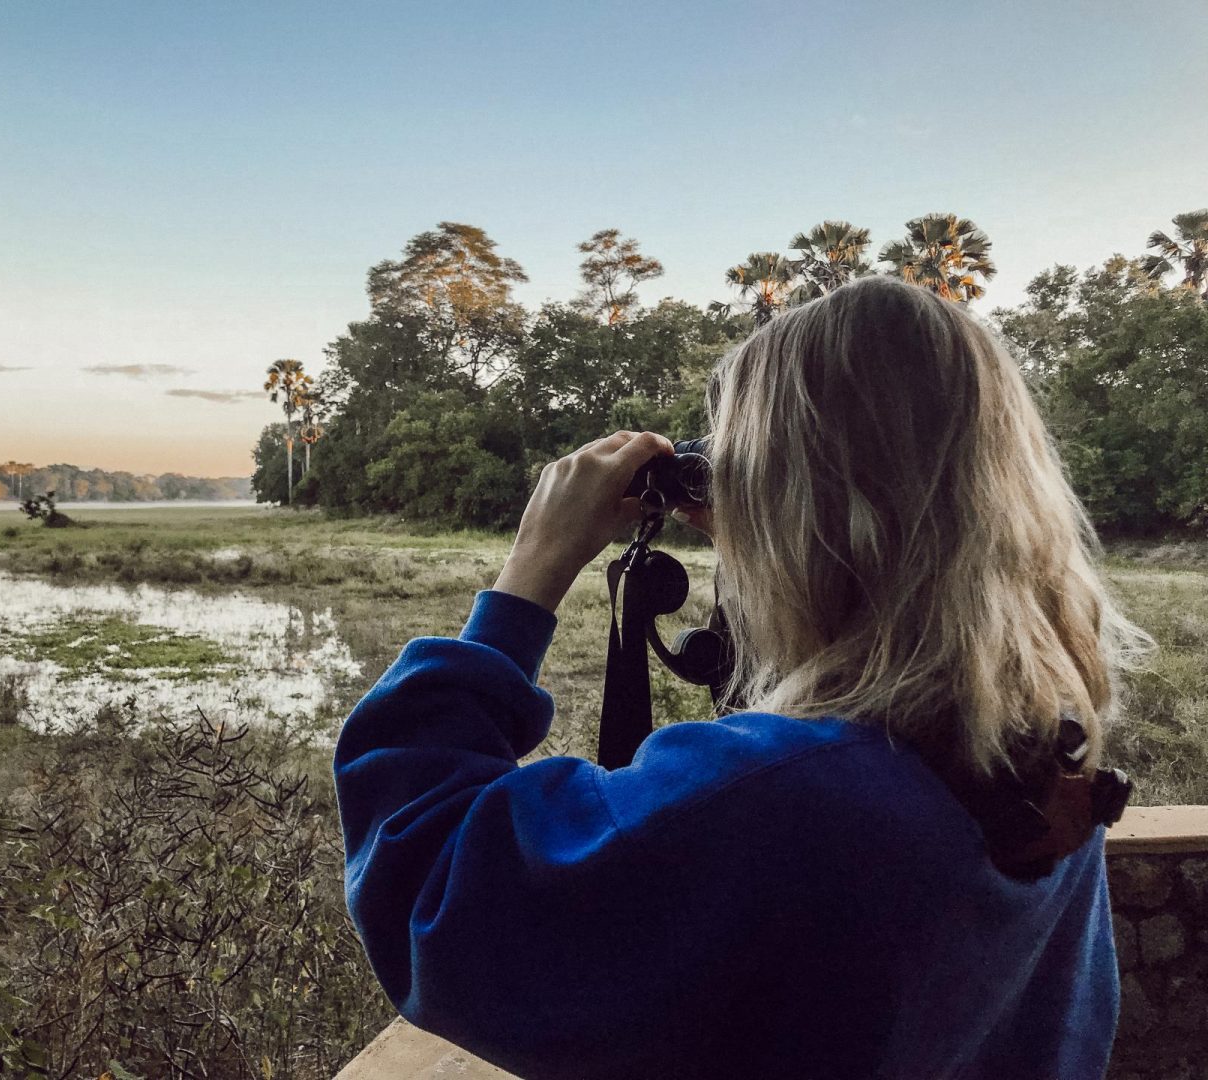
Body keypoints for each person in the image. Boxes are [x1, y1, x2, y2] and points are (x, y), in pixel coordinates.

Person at [333, 276, 1152, 1079]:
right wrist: (781, 556)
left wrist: (529, 574)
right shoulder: (1043, 745)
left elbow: (427, 888)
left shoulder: (790, 798)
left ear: (795, 505)